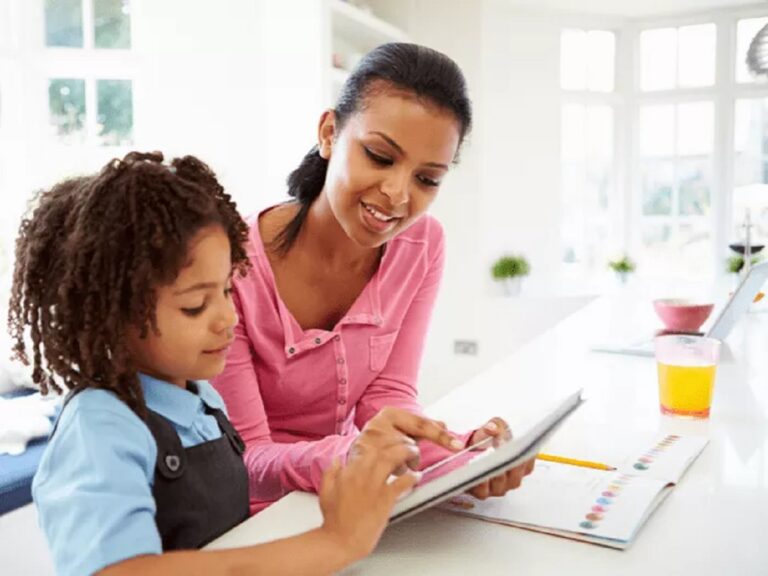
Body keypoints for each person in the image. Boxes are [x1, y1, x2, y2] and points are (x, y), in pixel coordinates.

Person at [8, 151, 462, 576]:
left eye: (226, 290)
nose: (228, 317)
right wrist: (332, 542)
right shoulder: (101, 426)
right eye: (194, 306)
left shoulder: (200, 400)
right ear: (109, 314)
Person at [213, 42, 534, 514]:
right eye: (380, 156)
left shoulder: (422, 245)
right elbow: (247, 460)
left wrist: (462, 455)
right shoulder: (227, 260)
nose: (397, 194)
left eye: (427, 179)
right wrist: (353, 455)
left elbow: (386, 396)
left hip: (350, 497)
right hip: (253, 518)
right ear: (328, 133)